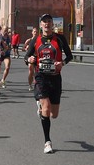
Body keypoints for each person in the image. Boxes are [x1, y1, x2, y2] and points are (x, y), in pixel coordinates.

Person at [24, 14, 73, 154]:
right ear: (40, 25)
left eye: (49, 21)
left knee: (54, 114)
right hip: (41, 77)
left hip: (55, 78)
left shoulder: (60, 38)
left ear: (52, 24)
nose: (47, 24)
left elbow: (70, 56)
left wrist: (62, 63)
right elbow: (26, 57)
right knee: (45, 108)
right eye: (44, 21)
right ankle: (47, 142)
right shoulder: (36, 40)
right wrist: (31, 59)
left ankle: (42, 107)